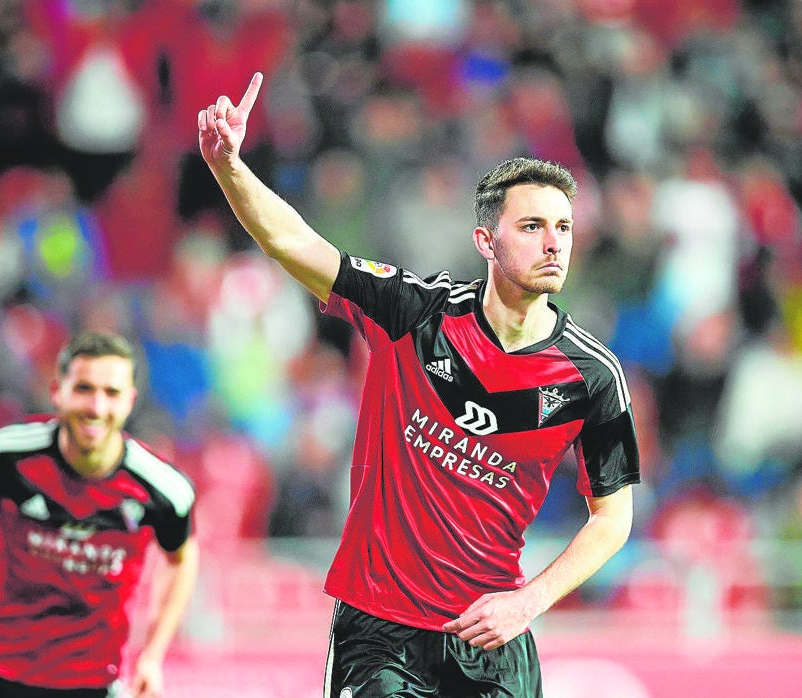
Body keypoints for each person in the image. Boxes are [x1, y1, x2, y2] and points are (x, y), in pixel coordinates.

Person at [199, 73, 639, 696]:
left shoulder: (594, 377)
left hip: (492, 636)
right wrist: (228, 166)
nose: (554, 243)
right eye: (533, 226)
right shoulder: (414, 310)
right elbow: (292, 241)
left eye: (564, 227)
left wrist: (528, 602)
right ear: (486, 241)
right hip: (379, 631)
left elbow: (614, 518)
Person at [0, 331, 199, 698]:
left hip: (94, 684)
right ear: (57, 392)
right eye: (84, 389)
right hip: (2, 674)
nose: (96, 407)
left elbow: (182, 557)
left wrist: (152, 656)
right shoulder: (8, 455)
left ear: (129, 401)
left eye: (111, 393)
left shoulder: (162, 488)